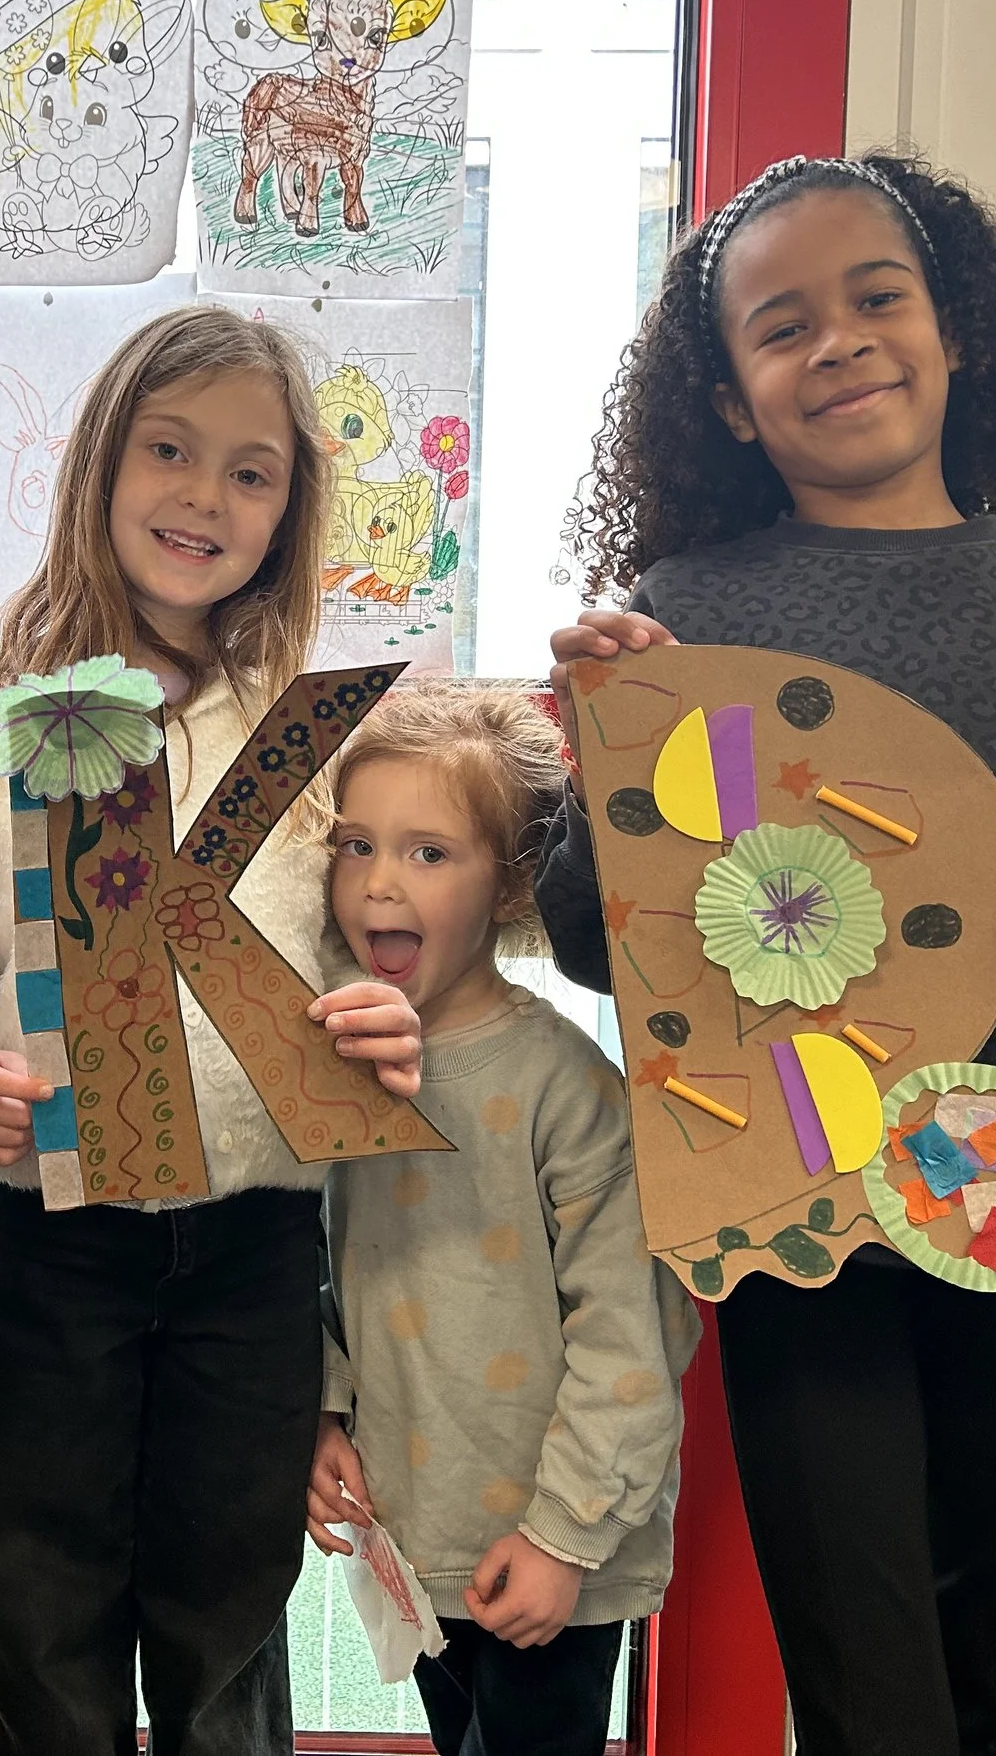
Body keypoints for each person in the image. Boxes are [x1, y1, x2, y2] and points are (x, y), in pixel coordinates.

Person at [538, 152, 996, 1755]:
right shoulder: (680, 615)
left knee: (995, 1657)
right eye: (782, 325)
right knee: (860, 1672)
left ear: (959, 331)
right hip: (793, 1198)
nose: (840, 342)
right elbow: (603, 942)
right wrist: (605, 756)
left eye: (878, 298)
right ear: (727, 402)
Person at [0, 303, 425, 1755]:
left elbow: (376, 940)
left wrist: (388, 1011)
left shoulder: (313, 725)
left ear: (289, 509)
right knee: (42, 1603)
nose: (204, 495)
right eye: (169, 450)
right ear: (101, 460)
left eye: (250, 471)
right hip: (51, 1235)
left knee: (226, 1615)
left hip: (255, 1243)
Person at [308, 682, 696, 1756]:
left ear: (512, 880)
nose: (379, 882)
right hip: (415, 1539)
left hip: (554, 1552)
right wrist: (321, 1411)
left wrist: (563, 1537)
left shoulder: (565, 1087)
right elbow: (311, 1264)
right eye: (355, 846)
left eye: (429, 853)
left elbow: (633, 1332)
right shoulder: (329, 1065)